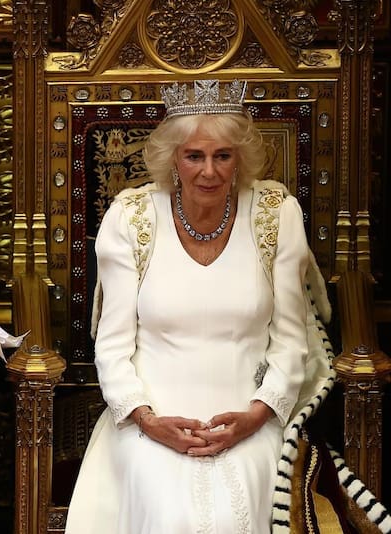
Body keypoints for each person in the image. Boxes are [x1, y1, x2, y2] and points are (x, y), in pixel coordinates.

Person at [65, 79, 333, 533]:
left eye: (222, 156)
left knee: (234, 513)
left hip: (251, 416)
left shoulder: (276, 213)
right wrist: (147, 420)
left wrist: (256, 415)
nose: (209, 171)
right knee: (171, 514)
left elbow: (290, 342)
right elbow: (111, 347)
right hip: (150, 419)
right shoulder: (131, 217)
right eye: (195, 156)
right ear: (173, 159)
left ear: (239, 159)